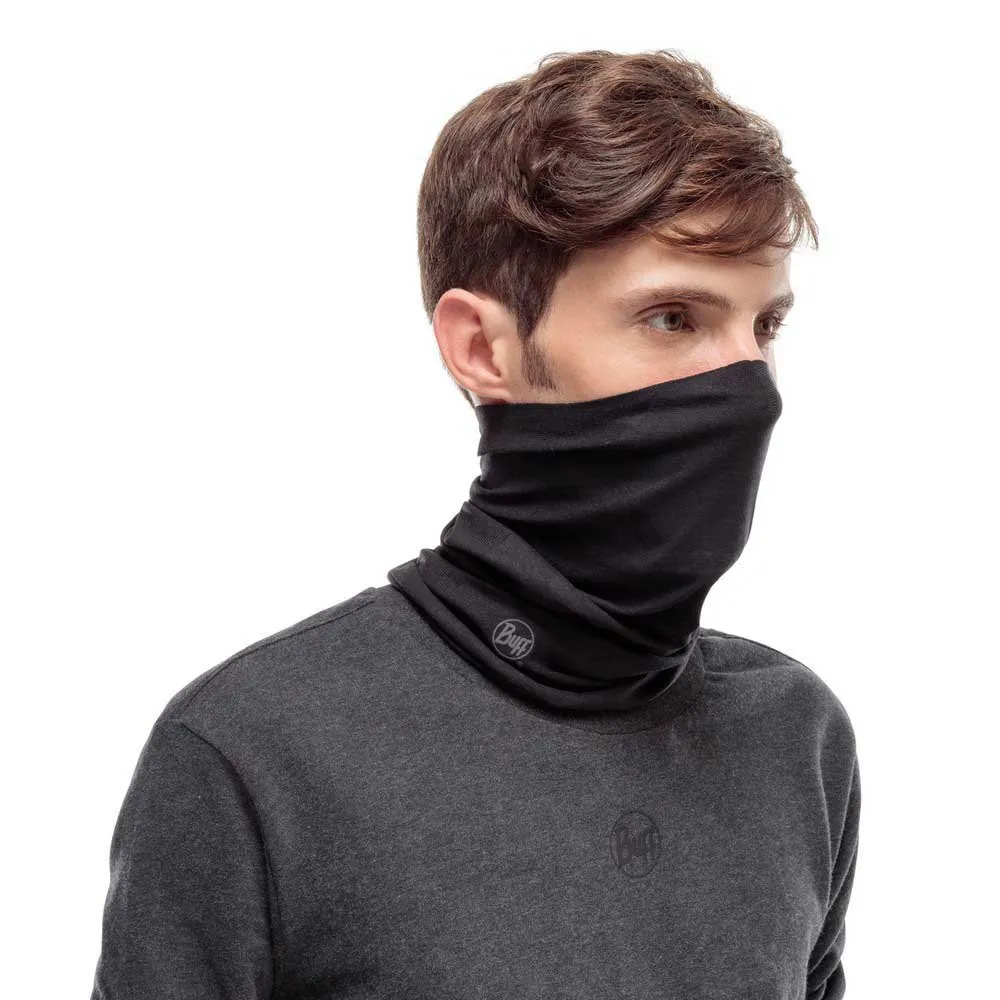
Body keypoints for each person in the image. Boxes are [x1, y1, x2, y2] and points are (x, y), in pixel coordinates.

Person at [90, 48, 861, 1000]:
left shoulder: (796, 739)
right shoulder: (252, 755)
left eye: (764, 327)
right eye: (671, 317)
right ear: (482, 349)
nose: (746, 385)